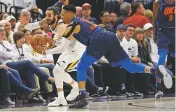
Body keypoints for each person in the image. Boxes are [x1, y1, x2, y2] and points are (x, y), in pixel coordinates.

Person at [58, 5, 172, 108]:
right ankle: (154, 70)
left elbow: (62, 46)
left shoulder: (72, 24)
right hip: (109, 36)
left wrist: (46, 50)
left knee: (81, 67)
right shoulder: (83, 21)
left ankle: (82, 96)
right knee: (129, 66)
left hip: (98, 39)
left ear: (69, 14)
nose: (61, 16)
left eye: (63, 14)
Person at [153, 0, 175, 97]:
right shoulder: (158, 2)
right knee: (161, 59)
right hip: (163, 32)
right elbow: (154, 19)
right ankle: (158, 88)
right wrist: (155, 35)